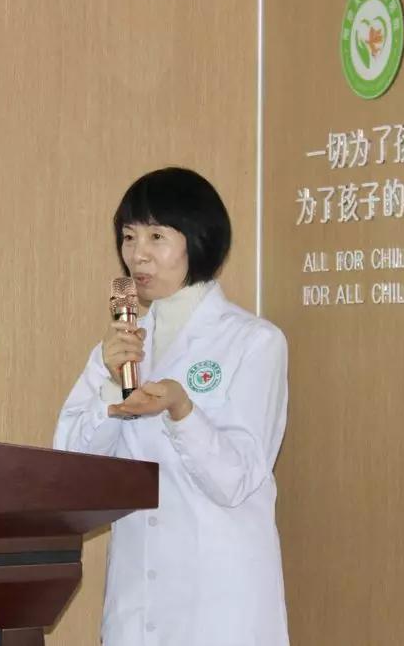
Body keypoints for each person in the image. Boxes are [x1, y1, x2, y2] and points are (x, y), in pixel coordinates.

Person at [53, 167, 290, 646]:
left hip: (220, 602)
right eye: (129, 237)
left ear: (198, 240)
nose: (137, 254)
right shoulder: (119, 348)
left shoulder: (254, 341)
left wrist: (182, 411)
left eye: (156, 236)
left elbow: (236, 480)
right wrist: (110, 390)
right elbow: (71, 474)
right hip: (137, 603)